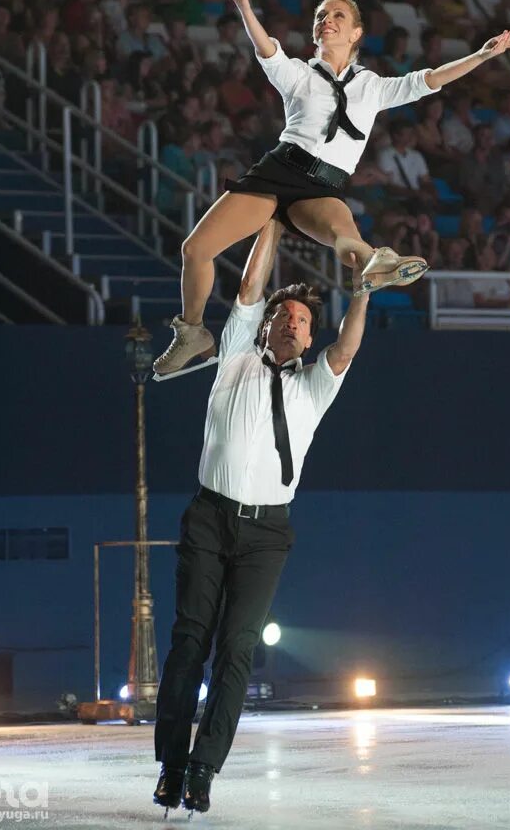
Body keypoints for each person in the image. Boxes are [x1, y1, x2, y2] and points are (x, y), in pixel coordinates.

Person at [153, 0, 510, 375]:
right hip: (277, 173)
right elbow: (266, 48)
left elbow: (429, 80)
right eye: (320, 15)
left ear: (356, 33)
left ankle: (376, 262)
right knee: (195, 249)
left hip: (323, 187)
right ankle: (192, 331)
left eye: (337, 15)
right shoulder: (298, 74)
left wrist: (482, 56)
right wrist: (244, 8)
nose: (326, 20)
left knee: (345, 239)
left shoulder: (374, 86)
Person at [153, 220, 369, 815]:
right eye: (284, 316)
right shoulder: (234, 360)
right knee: (188, 642)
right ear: (269, 326)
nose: (291, 324)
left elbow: (347, 347)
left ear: (307, 337)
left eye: (301, 321)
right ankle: (171, 763)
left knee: (237, 649)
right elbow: (249, 287)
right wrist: (269, 218)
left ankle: (203, 770)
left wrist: (364, 288)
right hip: (209, 517)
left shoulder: (314, 388)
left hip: (267, 534)